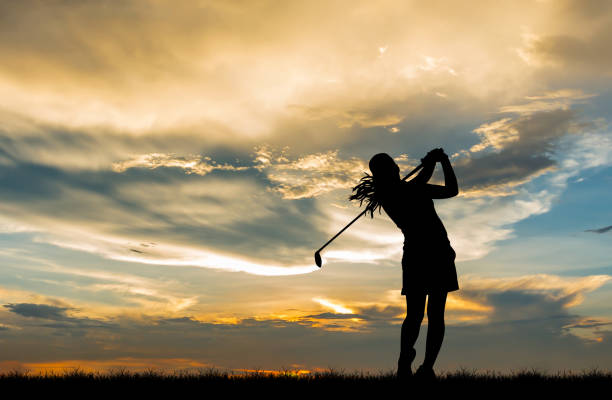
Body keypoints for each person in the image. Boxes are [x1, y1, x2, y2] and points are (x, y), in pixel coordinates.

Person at [350, 148, 459, 379]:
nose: (398, 167)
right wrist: (441, 161)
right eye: (393, 165)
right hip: (434, 254)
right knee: (432, 314)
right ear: (391, 170)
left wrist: (432, 163)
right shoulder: (400, 192)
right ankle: (423, 367)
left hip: (418, 255)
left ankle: (410, 364)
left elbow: (429, 183)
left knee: (416, 314)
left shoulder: (391, 193)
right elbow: (451, 189)